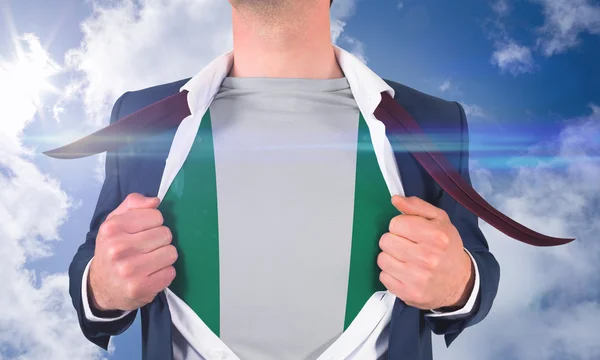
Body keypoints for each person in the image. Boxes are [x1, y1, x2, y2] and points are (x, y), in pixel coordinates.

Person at [68, 0, 500, 359]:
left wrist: (459, 282)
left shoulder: (433, 120)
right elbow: (95, 260)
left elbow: (473, 263)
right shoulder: (140, 116)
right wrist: (102, 284)